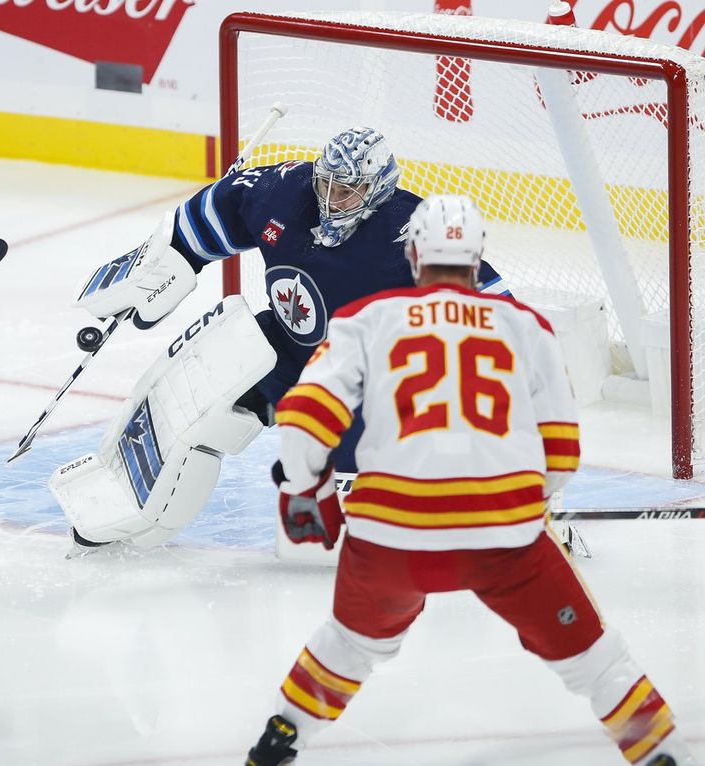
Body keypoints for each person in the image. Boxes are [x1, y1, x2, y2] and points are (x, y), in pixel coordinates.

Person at [243, 195, 697, 766]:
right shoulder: (525, 326)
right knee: (596, 659)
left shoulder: (366, 318)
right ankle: (661, 754)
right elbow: (560, 451)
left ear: (411, 253)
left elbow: (307, 415)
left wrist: (304, 490)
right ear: (478, 258)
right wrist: (537, 505)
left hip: (392, 533)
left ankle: (280, 738)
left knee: (351, 643)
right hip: (503, 534)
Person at [50, 126, 508, 553]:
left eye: (347, 190)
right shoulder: (285, 190)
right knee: (194, 398)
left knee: (326, 538)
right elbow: (213, 210)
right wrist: (160, 269)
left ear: (377, 191)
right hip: (285, 347)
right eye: (326, 183)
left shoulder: (413, 230)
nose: (331, 198)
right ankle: (135, 514)